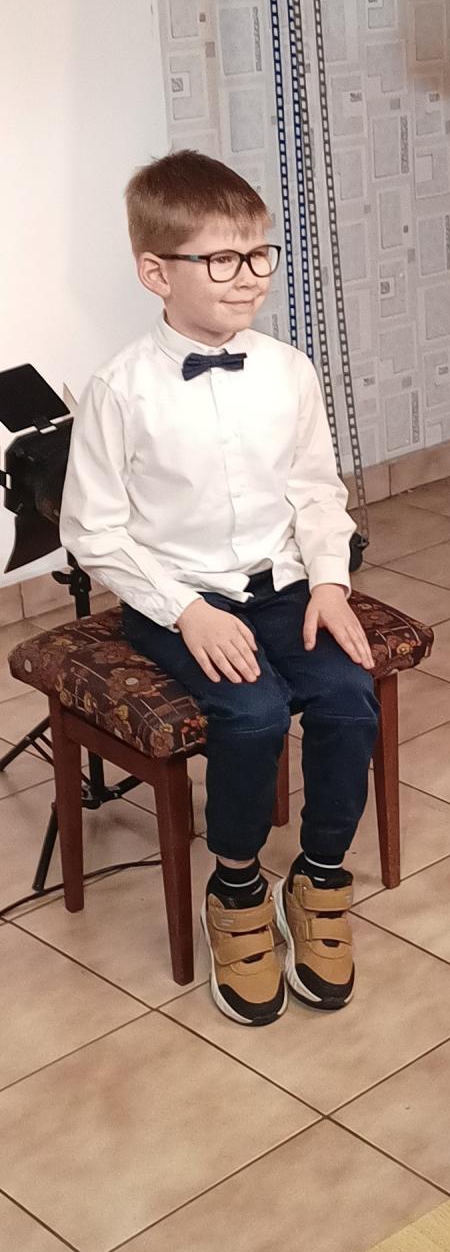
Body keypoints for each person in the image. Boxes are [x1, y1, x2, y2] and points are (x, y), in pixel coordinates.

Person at [60, 150, 377, 1027]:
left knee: (349, 697)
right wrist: (186, 611)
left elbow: (315, 490)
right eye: (223, 259)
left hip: (283, 587)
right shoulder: (119, 390)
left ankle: (319, 875)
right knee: (253, 713)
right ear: (156, 272)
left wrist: (330, 582)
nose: (251, 276)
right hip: (176, 597)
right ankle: (236, 885)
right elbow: (93, 531)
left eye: (260, 253)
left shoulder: (288, 370)